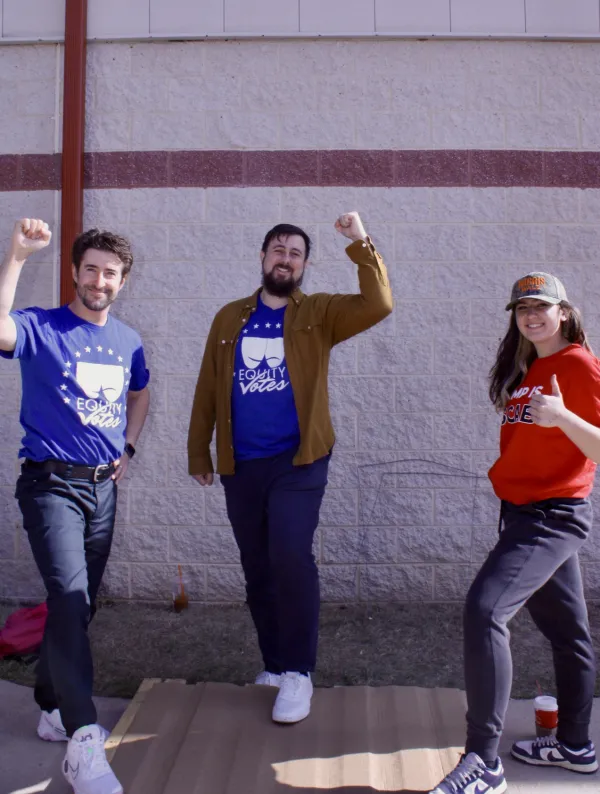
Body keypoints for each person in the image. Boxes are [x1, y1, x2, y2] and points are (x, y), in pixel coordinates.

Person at [188, 212, 392, 724]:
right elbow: (210, 386)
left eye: (295, 252)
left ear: (304, 266)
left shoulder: (318, 313)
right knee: (257, 566)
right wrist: (199, 451)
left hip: (299, 461)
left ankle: (299, 672)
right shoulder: (229, 316)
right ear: (262, 258)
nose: (285, 258)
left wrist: (360, 242)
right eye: (277, 249)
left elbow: (378, 303)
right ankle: (275, 665)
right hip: (242, 464)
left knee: (290, 554)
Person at [430, 271, 599, 794]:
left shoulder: (577, 365)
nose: (530, 315)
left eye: (541, 306)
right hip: (525, 512)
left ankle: (484, 761)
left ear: (564, 312)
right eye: (522, 307)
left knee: (485, 611)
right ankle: (574, 746)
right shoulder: (534, 366)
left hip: (550, 517)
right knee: (568, 635)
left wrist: (563, 416)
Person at [0, 219, 150, 794]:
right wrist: (15, 255)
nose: (99, 280)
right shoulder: (42, 328)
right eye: (90, 269)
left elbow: (140, 389)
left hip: (101, 490)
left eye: (110, 273)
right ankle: (84, 739)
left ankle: (50, 705)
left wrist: (128, 445)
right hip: (50, 486)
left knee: (77, 607)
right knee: (68, 596)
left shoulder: (128, 341)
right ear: (74, 273)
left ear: (122, 281)